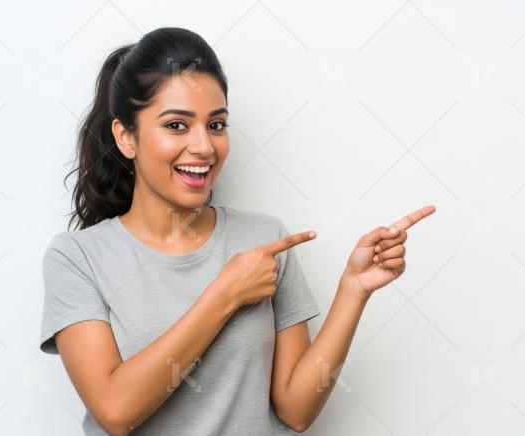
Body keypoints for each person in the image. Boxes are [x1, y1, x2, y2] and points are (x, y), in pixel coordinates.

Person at [39, 26, 435, 435]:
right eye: (177, 125)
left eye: (216, 125)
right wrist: (226, 294)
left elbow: (296, 410)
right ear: (126, 137)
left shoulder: (264, 240)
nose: (205, 147)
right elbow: (115, 410)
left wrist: (354, 289)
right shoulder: (77, 258)